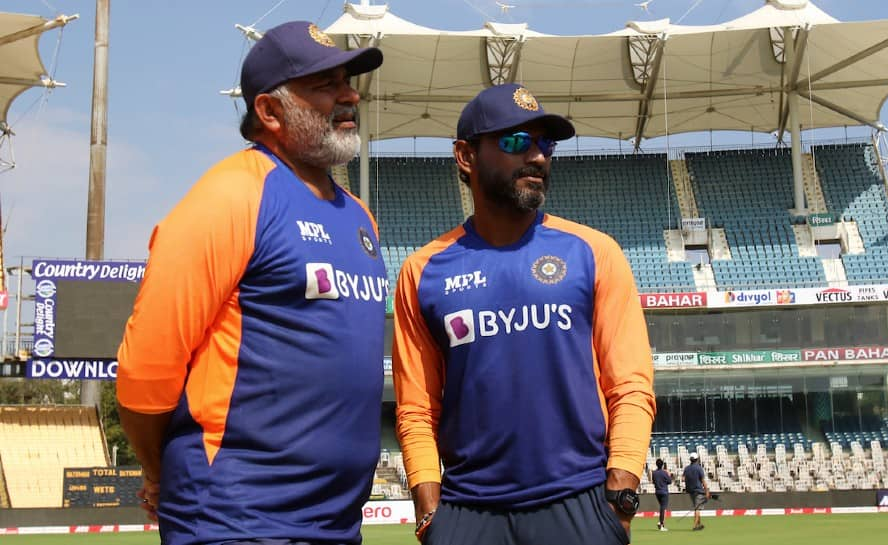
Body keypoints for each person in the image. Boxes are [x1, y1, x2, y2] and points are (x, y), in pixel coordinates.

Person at [116, 21, 387, 545]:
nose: (349, 94)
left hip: (336, 521)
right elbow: (145, 369)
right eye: (325, 84)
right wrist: (158, 471)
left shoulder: (359, 217)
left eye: (348, 81)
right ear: (269, 111)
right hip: (235, 519)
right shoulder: (230, 197)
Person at [392, 82, 656, 545]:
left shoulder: (595, 252)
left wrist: (621, 497)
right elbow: (416, 409)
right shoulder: (422, 271)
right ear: (465, 156)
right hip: (467, 514)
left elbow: (630, 386)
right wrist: (431, 516)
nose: (536, 156)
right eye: (515, 142)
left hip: (580, 506)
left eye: (545, 143)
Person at [683, 452, 711, 531]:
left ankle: (699, 524)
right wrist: (707, 491)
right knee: (697, 509)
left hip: (690, 491)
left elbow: (683, 479)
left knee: (696, 507)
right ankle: (695, 526)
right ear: (697, 459)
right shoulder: (699, 468)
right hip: (698, 491)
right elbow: (703, 481)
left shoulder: (686, 468)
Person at [651, 458, 672, 531]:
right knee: (663, 508)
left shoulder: (654, 473)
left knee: (662, 508)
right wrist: (668, 474)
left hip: (657, 492)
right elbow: (670, 481)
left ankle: (661, 522)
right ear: (662, 465)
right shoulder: (664, 473)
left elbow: (653, 482)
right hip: (664, 492)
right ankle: (661, 523)